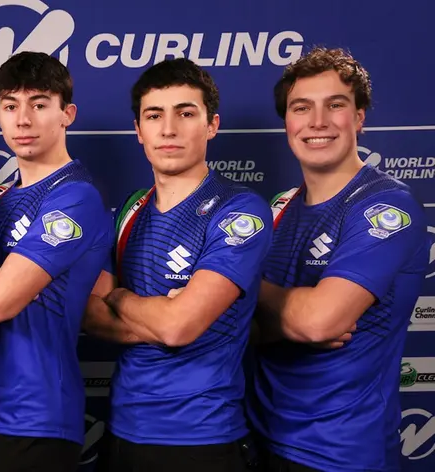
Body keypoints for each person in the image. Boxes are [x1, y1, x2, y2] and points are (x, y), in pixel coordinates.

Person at [82, 58, 273, 472]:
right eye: (154, 115)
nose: (168, 129)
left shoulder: (239, 210)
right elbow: (91, 315)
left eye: (185, 113)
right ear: (139, 130)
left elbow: (178, 326)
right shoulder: (131, 210)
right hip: (123, 430)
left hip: (203, 437)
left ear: (211, 125)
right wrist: (165, 314)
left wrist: (122, 298)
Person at [248, 47, 429, 472]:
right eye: (301, 107)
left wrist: (241, 282)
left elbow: (319, 323)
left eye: (335, 105)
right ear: (288, 121)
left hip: (339, 452)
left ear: (359, 117)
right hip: (258, 438)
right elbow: (242, 327)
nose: (317, 121)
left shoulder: (387, 206)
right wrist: (291, 319)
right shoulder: (279, 208)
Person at [0, 51, 113, 472]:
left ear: (68, 114)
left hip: (40, 415)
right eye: (10, 106)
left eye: (39, 104)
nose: (23, 120)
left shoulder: (76, 196)